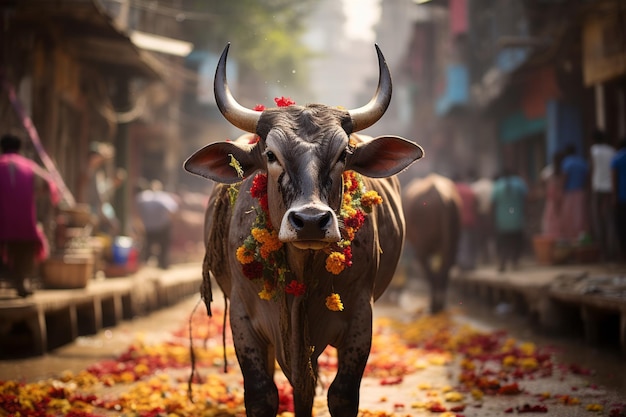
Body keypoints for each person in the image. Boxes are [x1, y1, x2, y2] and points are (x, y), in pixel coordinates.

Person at [0, 133, 59, 297]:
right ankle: (22, 282)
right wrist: (33, 194)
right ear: (18, 148)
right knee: (25, 247)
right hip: (24, 220)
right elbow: (49, 183)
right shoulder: (29, 166)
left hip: (2, 219)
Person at [79, 142, 125, 235]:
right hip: (88, 207)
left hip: (96, 208)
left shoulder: (98, 173)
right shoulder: (88, 171)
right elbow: (81, 188)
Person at [136, 180, 179, 269]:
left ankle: (143, 265)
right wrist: (171, 223)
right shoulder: (164, 197)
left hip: (148, 228)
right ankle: (163, 265)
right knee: (163, 247)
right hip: (161, 227)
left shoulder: (143, 197)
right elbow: (173, 211)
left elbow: (136, 211)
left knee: (147, 247)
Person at [491, 168, 528, 272]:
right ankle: (514, 261)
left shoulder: (497, 185)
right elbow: (526, 198)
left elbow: (492, 203)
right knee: (516, 242)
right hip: (516, 219)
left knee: (503, 242)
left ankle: (503, 260)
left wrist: (492, 218)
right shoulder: (519, 183)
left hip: (502, 220)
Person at [589, 129, 617, 260]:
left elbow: (593, 168)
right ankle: (611, 251)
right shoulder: (612, 151)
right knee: (610, 219)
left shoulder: (594, 150)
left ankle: (603, 252)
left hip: (598, 187)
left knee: (598, 220)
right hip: (610, 188)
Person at [560, 144, 590, 242]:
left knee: (569, 219)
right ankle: (580, 240)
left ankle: (571, 241)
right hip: (581, 193)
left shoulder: (566, 163)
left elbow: (564, 178)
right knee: (580, 218)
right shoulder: (582, 162)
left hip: (569, 194)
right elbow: (587, 178)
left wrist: (561, 191)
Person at [454, 174, 478, 270]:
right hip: (470, 220)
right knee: (469, 242)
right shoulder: (469, 190)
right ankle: (470, 262)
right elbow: (475, 205)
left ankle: (463, 264)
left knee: (460, 243)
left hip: (458, 221)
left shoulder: (453, 190)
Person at [540, 150, 565, 239]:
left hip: (552, 200)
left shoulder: (549, 171)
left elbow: (542, 181)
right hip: (560, 199)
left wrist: (545, 191)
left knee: (551, 221)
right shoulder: (563, 171)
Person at [471, 173, 494, 264]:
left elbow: (474, 203)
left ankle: (484, 257)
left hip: (479, 215)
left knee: (481, 238)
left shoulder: (475, 187)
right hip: (490, 215)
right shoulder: (492, 185)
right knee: (491, 237)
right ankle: (491, 256)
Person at [611, 138, 626, 262]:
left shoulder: (617, 158)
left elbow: (614, 179)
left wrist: (614, 196)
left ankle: (622, 254)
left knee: (621, 226)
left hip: (621, 197)